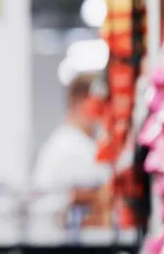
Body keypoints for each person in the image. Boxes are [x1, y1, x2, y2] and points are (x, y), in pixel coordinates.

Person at [29, 73, 112, 242]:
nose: (102, 115)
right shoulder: (73, 148)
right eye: (99, 106)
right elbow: (106, 192)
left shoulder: (62, 142)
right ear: (82, 103)